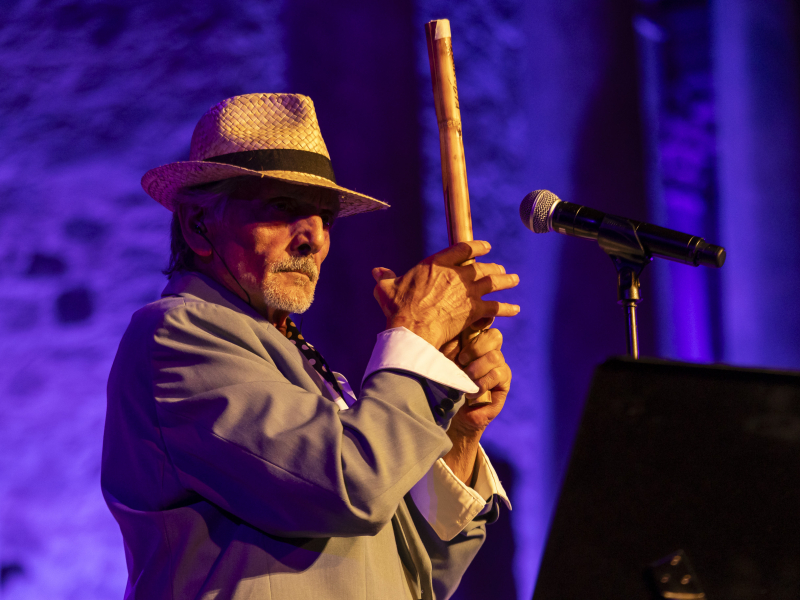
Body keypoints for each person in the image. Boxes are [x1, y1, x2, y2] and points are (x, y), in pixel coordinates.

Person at [101, 93, 520, 600]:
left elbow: (414, 572)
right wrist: (415, 337)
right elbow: (351, 485)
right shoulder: (175, 336)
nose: (314, 238)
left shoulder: (302, 365)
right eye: (282, 208)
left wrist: (456, 436)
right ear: (197, 224)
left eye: (324, 217)